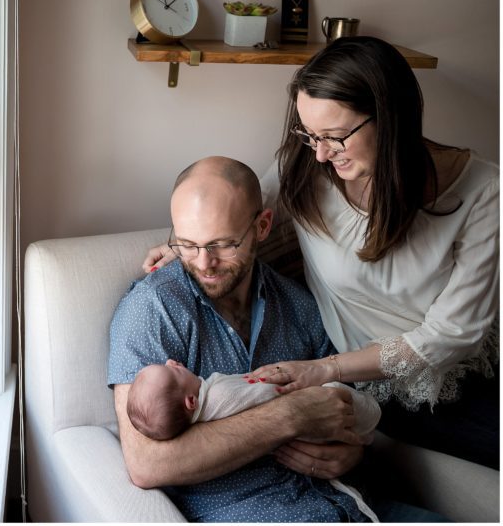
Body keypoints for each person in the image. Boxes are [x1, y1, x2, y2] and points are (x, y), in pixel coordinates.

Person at [142, 37, 499, 469]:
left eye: (335, 136)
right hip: (375, 384)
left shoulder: (484, 192)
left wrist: (326, 369)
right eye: (310, 134)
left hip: (447, 371)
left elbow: (452, 335)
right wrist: (185, 245)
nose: (321, 152)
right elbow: (242, 219)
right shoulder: (308, 165)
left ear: (390, 119)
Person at [126, 359, 382, 521]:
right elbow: (265, 393)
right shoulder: (219, 397)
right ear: (190, 402)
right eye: (172, 372)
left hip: (353, 500)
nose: (172, 362)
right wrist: (296, 405)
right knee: (350, 403)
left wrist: (354, 452)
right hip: (284, 510)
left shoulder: (297, 301)